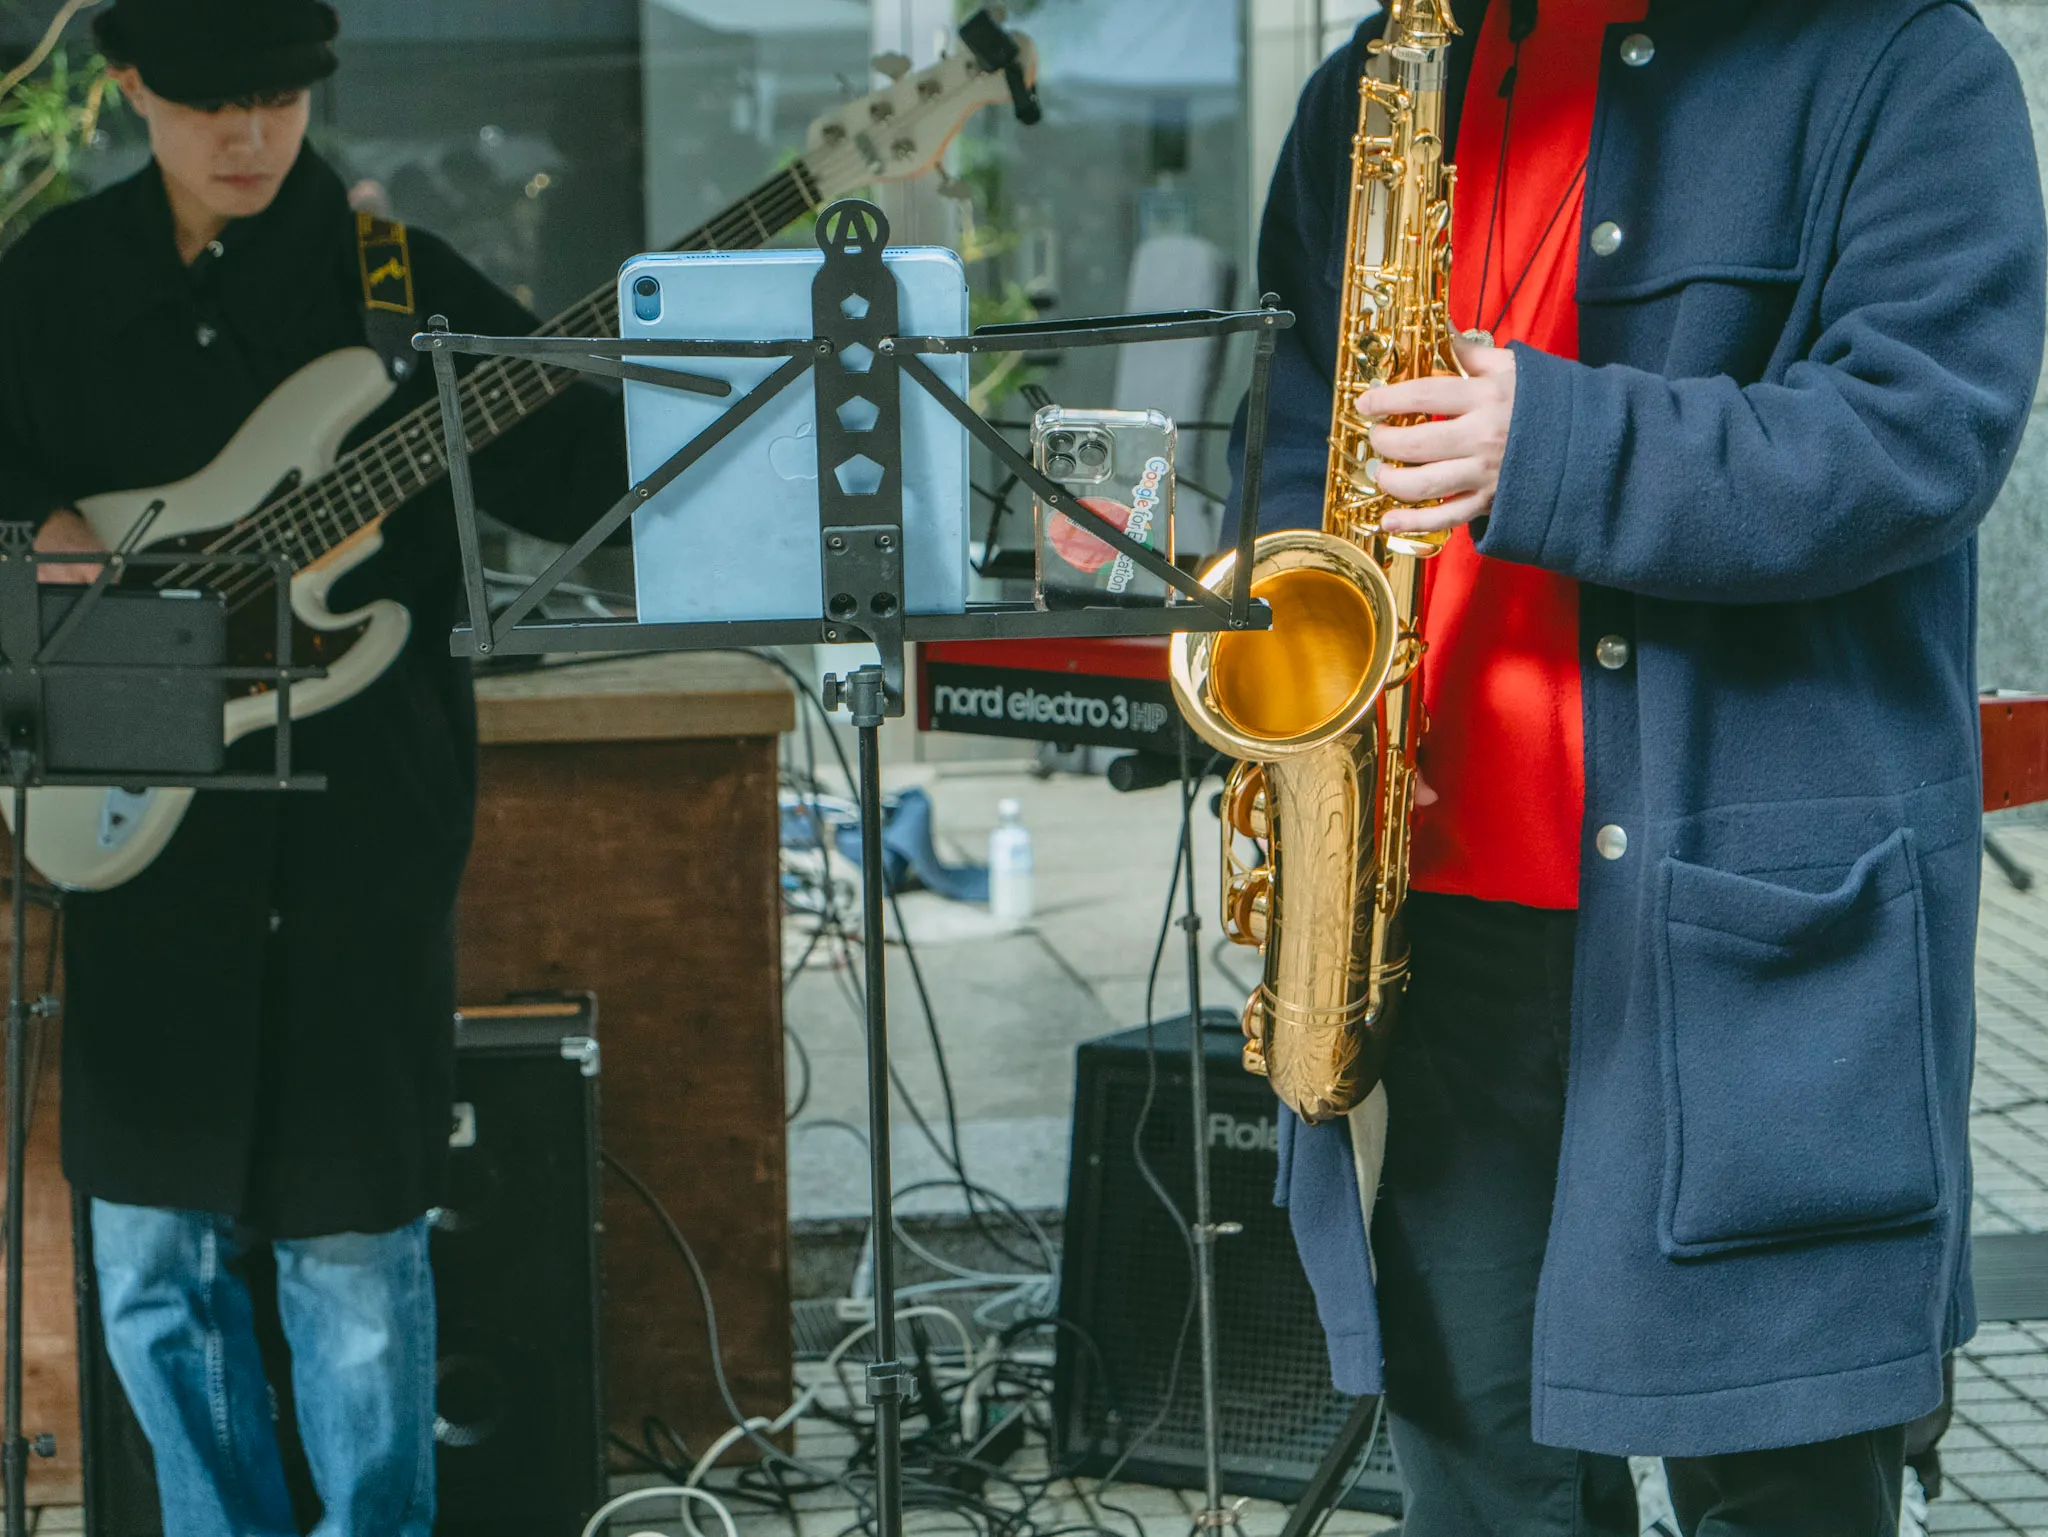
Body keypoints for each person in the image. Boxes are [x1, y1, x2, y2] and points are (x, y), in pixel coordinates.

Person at [1242, 2, 2045, 1534]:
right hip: (1432, 929)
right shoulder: (1379, 77)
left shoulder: (1908, 63)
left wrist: (1542, 442)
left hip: (1754, 947)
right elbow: (1294, 431)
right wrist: (1318, 715)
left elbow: (1917, 438)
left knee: (1783, 1484)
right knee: (1481, 1483)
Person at [0, 1, 627, 1533]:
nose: (250, 136)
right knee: (152, 1250)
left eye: (278, 98)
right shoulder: (54, 281)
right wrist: (42, 532)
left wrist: (723, 404)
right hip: (140, 796)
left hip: (363, 815)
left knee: (355, 1245)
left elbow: (576, 466)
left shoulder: (395, 286)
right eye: (213, 102)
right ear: (131, 84)